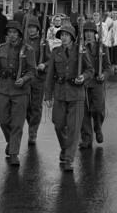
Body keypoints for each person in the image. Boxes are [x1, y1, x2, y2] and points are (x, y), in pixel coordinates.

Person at [44, 24, 94, 172]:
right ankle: (65, 148)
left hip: (76, 94)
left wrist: (82, 77)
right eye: (62, 35)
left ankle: (69, 159)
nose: (64, 37)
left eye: (67, 35)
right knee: (58, 125)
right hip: (60, 93)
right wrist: (48, 95)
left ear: (73, 36)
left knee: (73, 128)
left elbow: (90, 70)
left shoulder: (81, 51)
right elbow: (50, 74)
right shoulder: (55, 52)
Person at [0, 20, 36, 166]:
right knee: (1, 118)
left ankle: (14, 153)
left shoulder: (28, 50)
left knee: (17, 123)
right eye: (9, 32)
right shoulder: (1, 49)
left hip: (20, 91)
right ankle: (11, 142)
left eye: (14, 32)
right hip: (3, 89)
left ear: (20, 34)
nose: (12, 35)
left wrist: (24, 79)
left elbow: (32, 71)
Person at [79, 21, 112, 149]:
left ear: (95, 33)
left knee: (98, 109)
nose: (88, 34)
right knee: (83, 112)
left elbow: (108, 67)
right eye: (86, 31)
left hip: (97, 82)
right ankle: (86, 138)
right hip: (83, 82)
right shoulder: (79, 47)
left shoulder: (102, 47)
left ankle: (98, 128)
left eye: (91, 32)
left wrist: (103, 75)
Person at [24, 16, 49, 145]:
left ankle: (33, 133)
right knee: (26, 106)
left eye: (34, 27)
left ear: (38, 29)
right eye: (29, 27)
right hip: (27, 79)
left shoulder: (43, 42)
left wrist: (44, 65)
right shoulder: (23, 41)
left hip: (39, 78)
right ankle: (31, 125)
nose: (31, 30)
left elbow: (50, 60)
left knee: (36, 107)